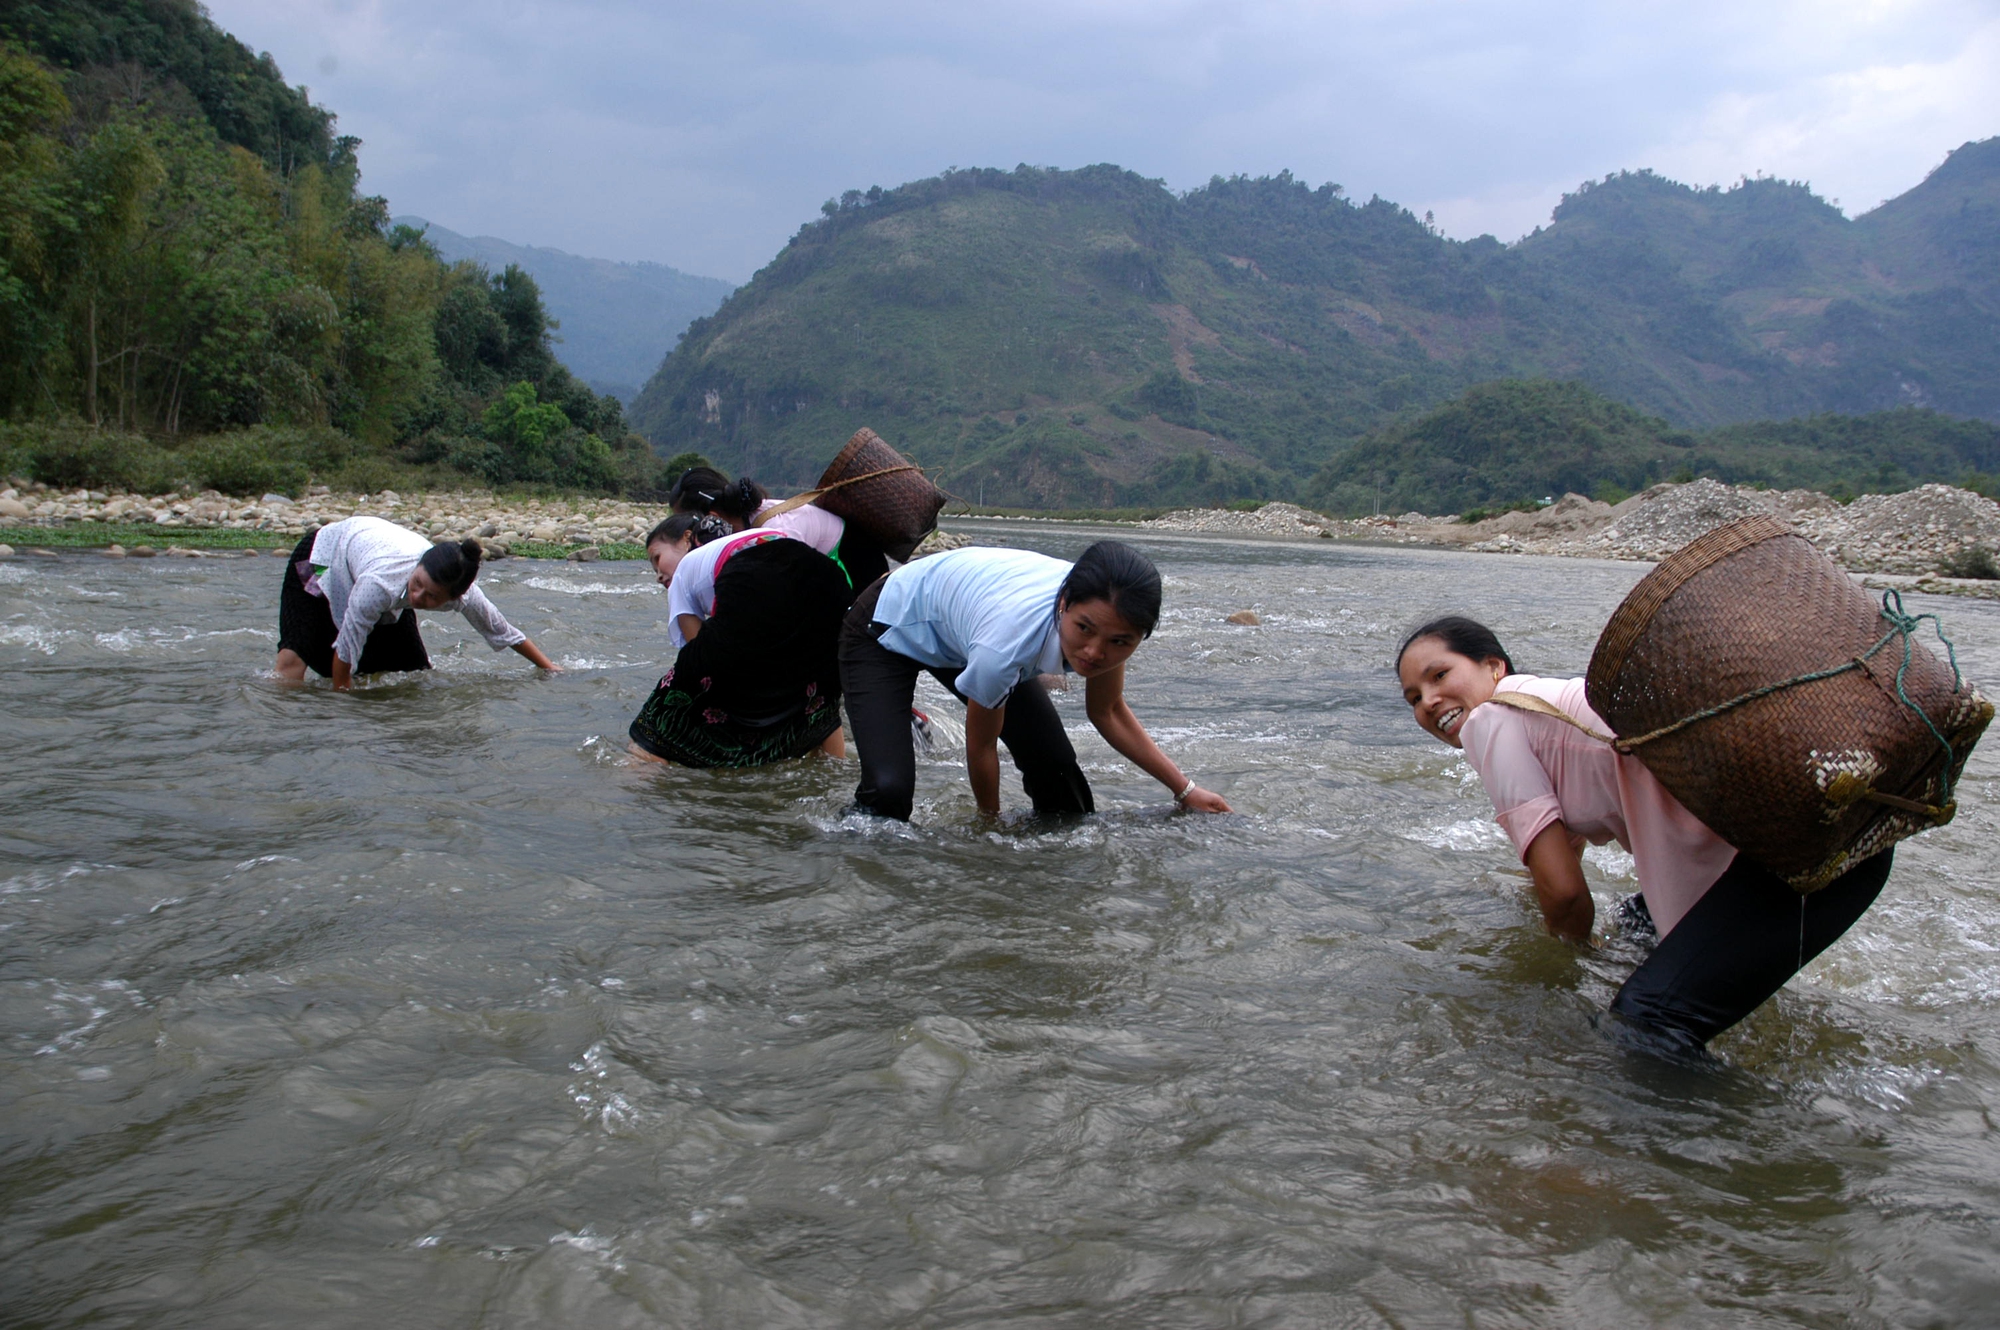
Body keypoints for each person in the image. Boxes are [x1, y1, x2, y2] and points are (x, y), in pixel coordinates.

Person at [1395, 615, 1894, 1052]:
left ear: (1494, 667)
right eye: (1414, 698)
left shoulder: (1490, 722)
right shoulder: (1546, 703)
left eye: (1440, 676)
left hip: (1794, 861)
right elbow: (1560, 851)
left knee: (1643, 1021)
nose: (1430, 702)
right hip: (1838, 831)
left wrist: (1562, 971)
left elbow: (1566, 896)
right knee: (1636, 923)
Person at [839, 540, 1232, 821]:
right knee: (888, 794)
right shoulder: (1008, 646)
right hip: (887, 625)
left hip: (965, 627)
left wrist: (1185, 791)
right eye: (1084, 629)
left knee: (1058, 775)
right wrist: (988, 827)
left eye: (1119, 642)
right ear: (1064, 603)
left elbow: (1108, 711)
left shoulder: (1109, 618)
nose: (1095, 653)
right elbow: (981, 748)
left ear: (1137, 637)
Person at [626, 512, 850, 766]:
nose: (657, 574)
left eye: (657, 558)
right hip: (830, 582)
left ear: (686, 539)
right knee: (817, 690)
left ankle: (641, 772)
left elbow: (702, 656)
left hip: (756, 579)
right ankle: (838, 767)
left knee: (662, 713)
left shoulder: (683, 574)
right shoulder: (739, 542)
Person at [274, 516, 558, 688]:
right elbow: (347, 648)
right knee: (296, 656)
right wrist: (344, 708)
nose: (419, 598)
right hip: (321, 557)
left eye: (432, 596)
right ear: (418, 566)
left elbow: (504, 632)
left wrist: (550, 669)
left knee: (414, 675)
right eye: (419, 584)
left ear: (454, 599)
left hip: (371, 568)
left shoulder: (466, 595)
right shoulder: (380, 584)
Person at [669, 465, 887, 591]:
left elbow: (789, 588)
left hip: (857, 569)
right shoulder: (748, 523)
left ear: (712, 517)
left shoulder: (776, 531)